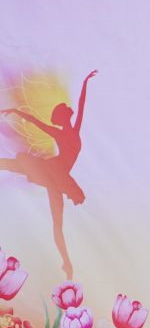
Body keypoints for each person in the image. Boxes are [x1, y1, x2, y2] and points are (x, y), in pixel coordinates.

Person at [2, 69, 96, 279]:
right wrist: (16, 112)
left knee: (57, 223)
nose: (65, 117)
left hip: (58, 177)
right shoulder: (63, 132)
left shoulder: (72, 130)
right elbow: (35, 121)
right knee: (13, 165)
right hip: (55, 173)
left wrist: (85, 82)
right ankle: (67, 263)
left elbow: (81, 104)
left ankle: (67, 263)